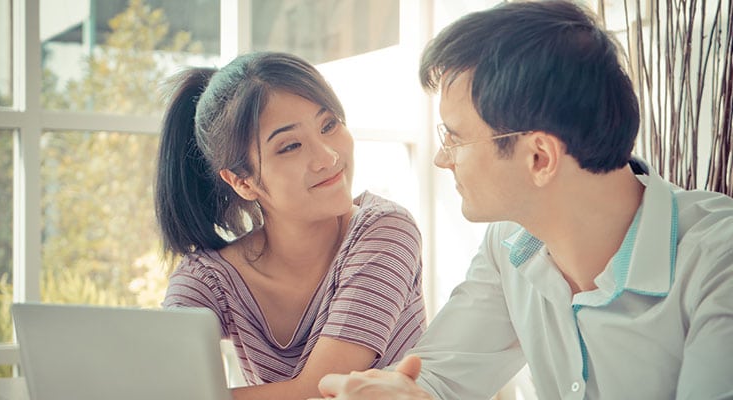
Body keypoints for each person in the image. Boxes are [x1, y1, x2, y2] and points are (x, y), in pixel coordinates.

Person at [312, 1, 733, 399]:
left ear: (539, 157)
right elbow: (436, 380)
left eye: (454, 137)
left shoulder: (719, 260)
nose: (442, 158)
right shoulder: (511, 242)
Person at [154, 52, 427, 400]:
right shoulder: (209, 278)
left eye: (329, 125)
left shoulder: (385, 231)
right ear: (242, 181)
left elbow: (320, 389)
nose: (327, 156)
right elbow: (166, 379)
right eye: (291, 146)